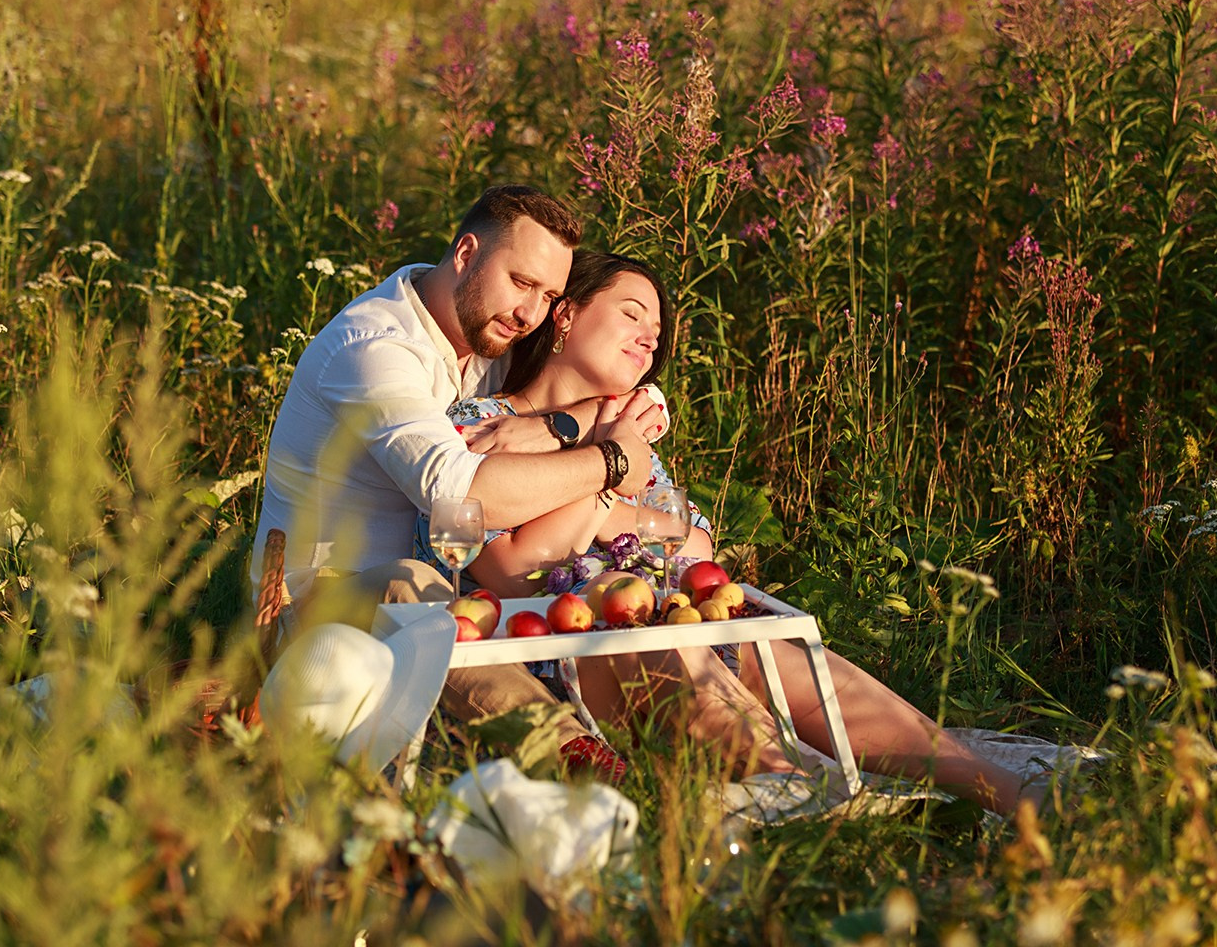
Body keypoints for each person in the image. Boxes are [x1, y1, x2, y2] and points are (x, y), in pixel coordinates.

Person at [417, 250, 1037, 814]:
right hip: (573, 656)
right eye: (632, 315)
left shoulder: (634, 434)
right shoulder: (480, 423)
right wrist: (612, 472)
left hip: (678, 626)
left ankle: (1000, 790)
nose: (647, 341)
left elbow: (690, 543)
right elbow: (514, 565)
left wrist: (594, 464)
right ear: (567, 316)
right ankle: (817, 802)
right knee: (635, 609)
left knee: (785, 661)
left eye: (656, 335)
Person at [253, 185, 667, 780]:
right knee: (415, 587)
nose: (529, 314)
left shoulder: (487, 332)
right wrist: (612, 462)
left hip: (450, 592)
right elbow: (456, 493)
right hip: (315, 608)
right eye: (521, 282)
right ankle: (580, 764)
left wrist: (565, 422)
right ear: (467, 254)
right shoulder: (375, 346)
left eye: (548, 295)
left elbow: (636, 391)